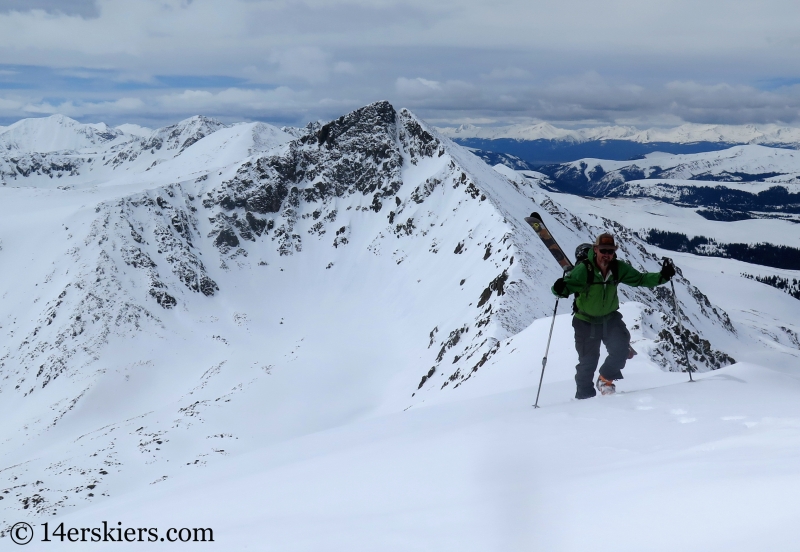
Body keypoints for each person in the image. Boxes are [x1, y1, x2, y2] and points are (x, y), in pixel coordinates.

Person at [552, 233, 675, 399]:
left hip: (610, 319)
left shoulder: (618, 268)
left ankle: (605, 380)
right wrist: (558, 289)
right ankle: (584, 398)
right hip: (585, 322)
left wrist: (663, 276)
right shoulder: (584, 270)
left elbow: (640, 279)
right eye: (603, 250)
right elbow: (565, 288)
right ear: (595, 250)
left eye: (610, 251)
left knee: (621, 351)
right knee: (588, 362)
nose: (606, 254)